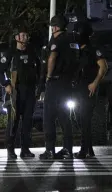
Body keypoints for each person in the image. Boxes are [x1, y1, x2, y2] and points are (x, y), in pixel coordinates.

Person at [0, 27, 40, 159]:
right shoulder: (10, 53)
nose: (25, 37)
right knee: (13, 122)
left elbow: (39, 69)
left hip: (30, 91)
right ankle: (10, 150)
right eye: (23, 35)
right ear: (17, 37)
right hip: (15, 91)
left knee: (27, 121)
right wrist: (6, 84)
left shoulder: (32, 52)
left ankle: (25, 149)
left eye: (27, 35)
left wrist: (40, 86)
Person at [39, 14, 80, 160]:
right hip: (67, 83)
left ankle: (50, 150)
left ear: (55, 27)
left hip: (55, 82)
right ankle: (67, 149)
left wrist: (48, 76)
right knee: (64, 116)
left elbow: (52, 57)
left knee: (48, 116)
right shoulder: (72, 40)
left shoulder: (57, 40)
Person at [73, 20, 108, 159]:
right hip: (78, 88)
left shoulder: (93, 49)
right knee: (80, 119)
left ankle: (84, 150)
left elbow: (103, 67)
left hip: (89, 88)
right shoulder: (76, 50)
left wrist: (95, 83)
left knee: (85, 119)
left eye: (77, 32)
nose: (75, 35)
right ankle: (89, 149)